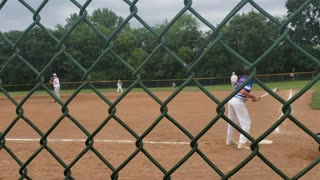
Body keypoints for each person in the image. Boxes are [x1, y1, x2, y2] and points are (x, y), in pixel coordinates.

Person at [226, 66, 260, 150]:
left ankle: (229, 140)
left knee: (231, 121)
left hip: (232, 99)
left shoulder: (242, 78)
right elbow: (242, 91)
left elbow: (240, 92)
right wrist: (253, 97)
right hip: (237, 101)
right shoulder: (249, 79)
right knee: (246, 122)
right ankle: (242, 143)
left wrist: (252, 98)